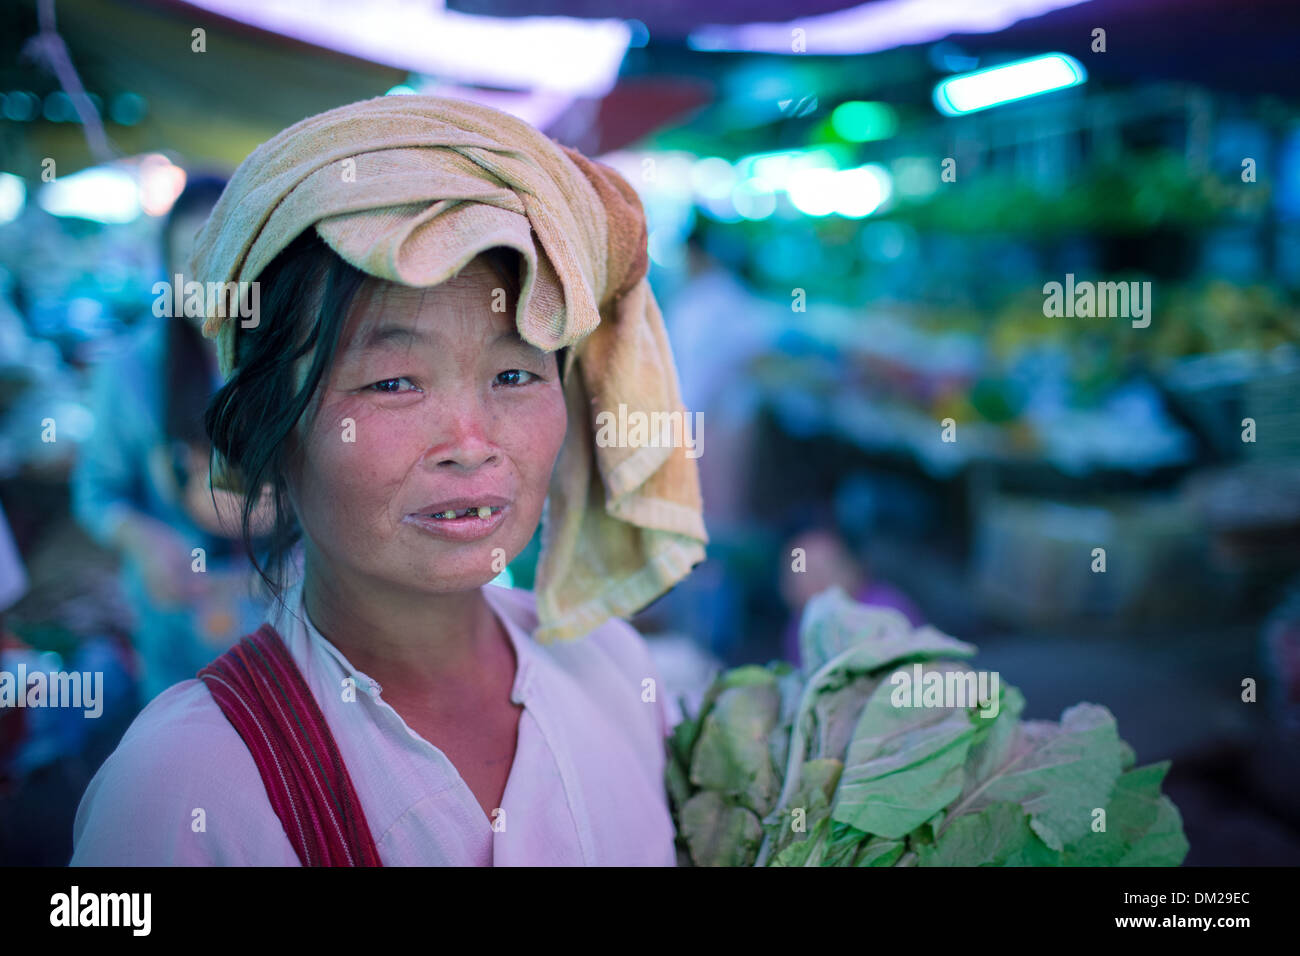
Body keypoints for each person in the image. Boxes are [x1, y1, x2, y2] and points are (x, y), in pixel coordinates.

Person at [70, 94, 708, 866]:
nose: (472, 445)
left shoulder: (613, 670)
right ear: (273, 434)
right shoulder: (182, 787)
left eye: (514, 373)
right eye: (394, 383)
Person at [71, 175, 272, 707]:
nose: (207, 280)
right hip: (176, 632)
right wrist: (144, 539)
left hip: (286, 629)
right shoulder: (131, 371)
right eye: (189, 261)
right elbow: (96, 492)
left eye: (226, 258)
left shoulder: (295, 366)